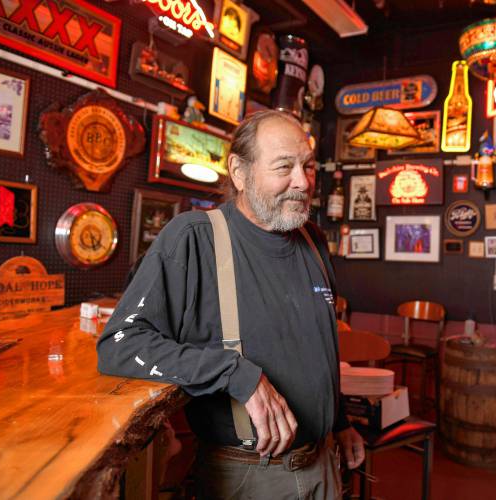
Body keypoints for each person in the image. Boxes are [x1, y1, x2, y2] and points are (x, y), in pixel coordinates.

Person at [97, 109, 364, 499]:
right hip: (248, 475)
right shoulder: (193, 239)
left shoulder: (313, 240)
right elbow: (121, 344)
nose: (302, 182)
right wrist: (236, 373)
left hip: (323, 463)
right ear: (239, 172)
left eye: (308, 166)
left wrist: (340, 422)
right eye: (283, 167)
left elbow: (317, 348)